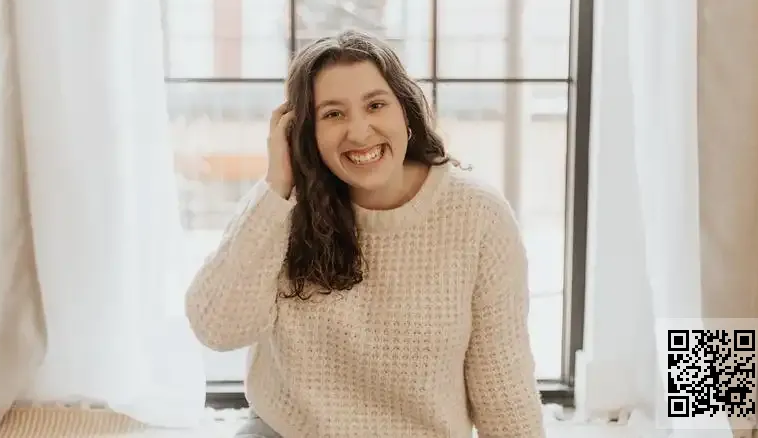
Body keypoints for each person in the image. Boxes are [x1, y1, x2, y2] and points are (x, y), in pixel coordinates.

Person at [184, 30, 546, 438]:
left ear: (405, 111)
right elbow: (218, 328)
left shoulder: (478, 214)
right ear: (305, 132)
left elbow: (503, 380)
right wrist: (277, 185)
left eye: (375, 105)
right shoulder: (281, 207)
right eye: (333, 114)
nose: (358, 132)